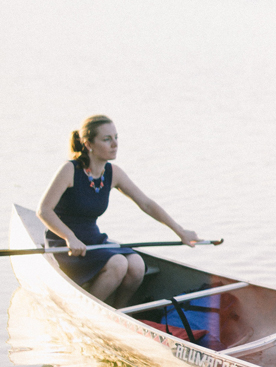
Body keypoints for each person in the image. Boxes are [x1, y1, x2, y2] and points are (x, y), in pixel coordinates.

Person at [38, 115, 200, 306]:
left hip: (93, 239)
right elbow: (44, 210)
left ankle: (118, 311)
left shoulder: (112, 173)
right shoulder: (70, 170)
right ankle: (86, 310)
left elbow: (146, 204)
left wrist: (180, 231)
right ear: (88, 144)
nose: (115, 144)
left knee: (137, 265)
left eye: (116, 137)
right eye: (107, 139)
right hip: (66, 243)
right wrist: (70, 237)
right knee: (118, 264)